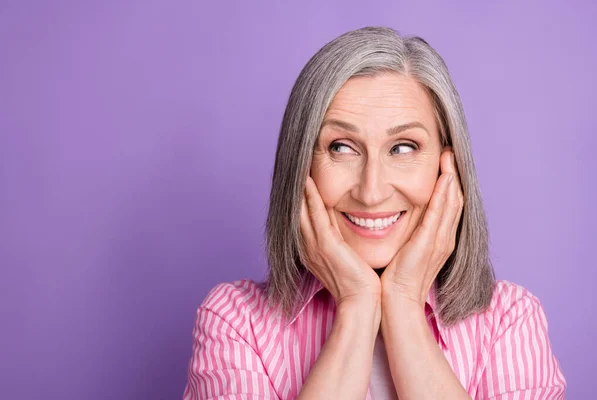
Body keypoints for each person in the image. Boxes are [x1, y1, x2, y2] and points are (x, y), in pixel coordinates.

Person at [182, 26, 567, 399]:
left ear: (447, 166)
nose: (371, 191)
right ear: (300, 167)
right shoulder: (235, 320)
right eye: (341, 147)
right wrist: (356, 304)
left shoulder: (509, 320)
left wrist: (402, 302)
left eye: (402, 148)